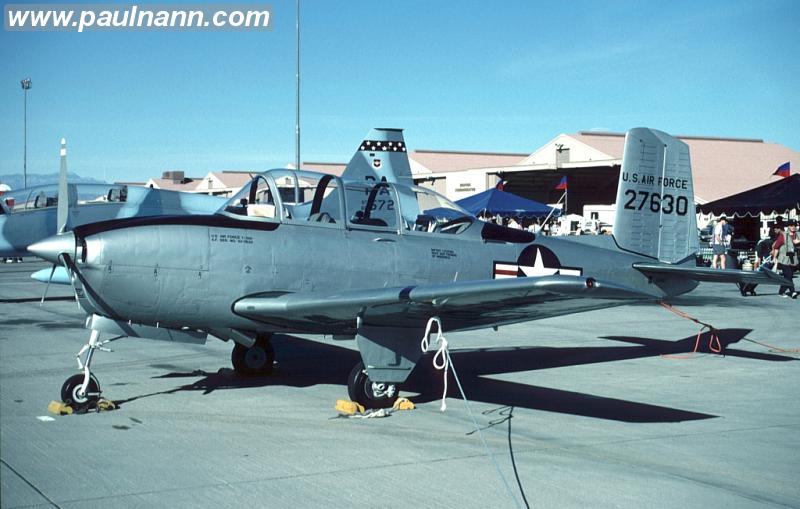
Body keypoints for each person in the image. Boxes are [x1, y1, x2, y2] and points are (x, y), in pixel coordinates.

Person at [772, 219, 799, 298]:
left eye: (794, 225)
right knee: (789, 275)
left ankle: (781, 292)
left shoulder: (798, 234)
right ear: (788, 226)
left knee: (787, 276)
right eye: (791, 225)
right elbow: (776, 247)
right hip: (784, 259)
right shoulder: (783, 235)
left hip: (794, 259)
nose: (793, 227)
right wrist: (774, 258)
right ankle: (793, 292)